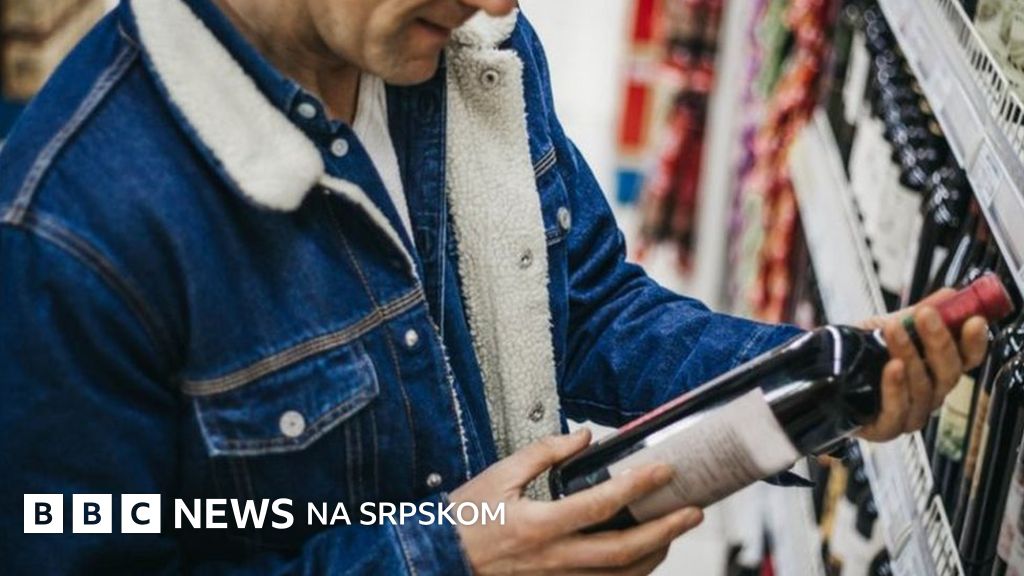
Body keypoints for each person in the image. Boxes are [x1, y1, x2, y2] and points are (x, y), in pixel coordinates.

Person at [0, 0, 988, 574]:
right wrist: (449, 558)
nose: (497, 1)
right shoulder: (70, 232)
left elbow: (587, 308)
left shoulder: (466, 51)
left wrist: (805, 379)